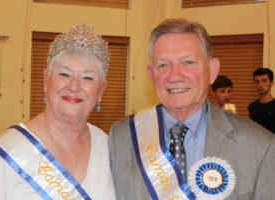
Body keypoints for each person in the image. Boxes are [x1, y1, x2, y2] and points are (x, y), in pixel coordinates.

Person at [109, 18, 275, 199]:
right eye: (163, 65)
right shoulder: (122, 136)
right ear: (152, 75)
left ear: (212, 70)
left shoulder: (261, 146)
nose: (175, 76)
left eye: (188, 62)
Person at [0, 24, 116, 200]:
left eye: (87, 78)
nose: (74, 86)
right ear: (45, 81)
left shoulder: (106, 146)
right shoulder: (7, 153)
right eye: (64, 74)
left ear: (101, 91)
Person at [248, 68, 275, 133]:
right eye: (257, 82)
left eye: (264, 81)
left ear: (271, 83)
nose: (260, 85)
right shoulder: (252, 107)